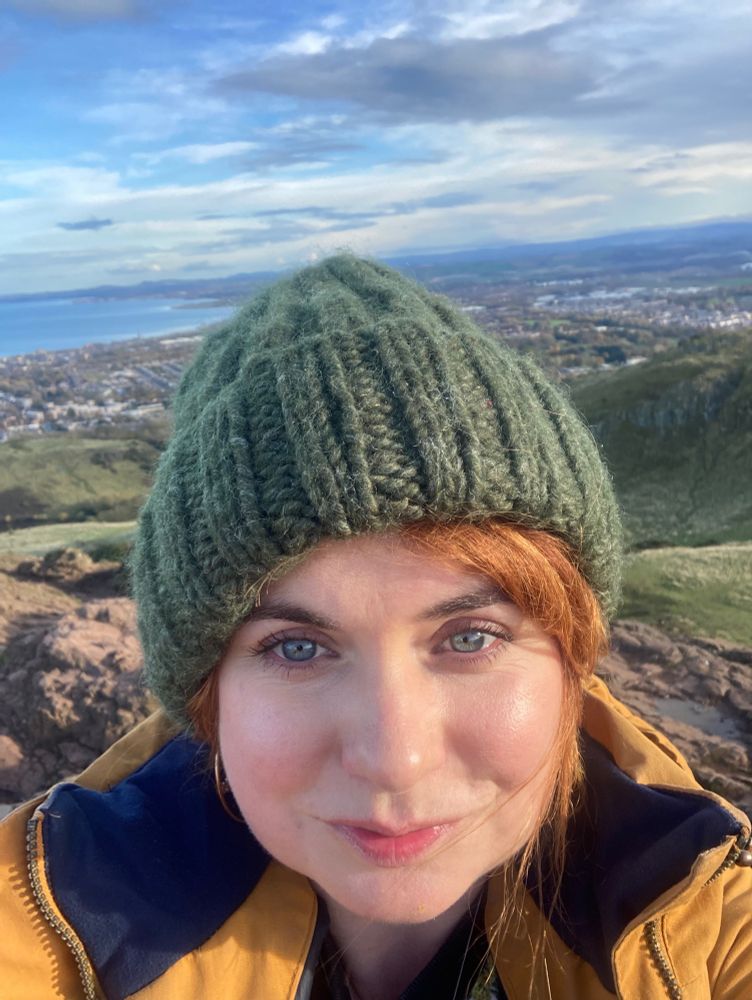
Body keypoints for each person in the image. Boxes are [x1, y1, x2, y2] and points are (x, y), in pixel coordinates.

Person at [1, 255, 750, 1000]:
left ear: (572, 659)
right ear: (207, 694)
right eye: (297, 648)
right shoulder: (40, 923)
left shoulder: (709, 922)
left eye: (470, 637)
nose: (396, 759)